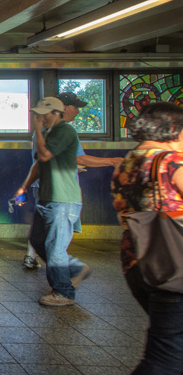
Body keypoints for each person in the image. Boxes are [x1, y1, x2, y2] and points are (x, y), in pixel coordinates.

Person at [111, 102, 183, 375]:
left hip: (137, 262)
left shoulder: (127, 162)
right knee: (165, 357)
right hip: (174, 267)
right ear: (174, 129)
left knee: (175, 347)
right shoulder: (171, 162)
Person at [20, 92, 123, 269]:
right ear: (64, 108)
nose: (78, 112)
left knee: (41, 229)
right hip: (60, 192)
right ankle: (67, 272)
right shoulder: (63, 131)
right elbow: (79, 158)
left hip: (44, 186)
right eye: (76, 107)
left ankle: (34, 258)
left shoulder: (45, 130)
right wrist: (112, 161)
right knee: (56, 234)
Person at [14, 97, 89, 306]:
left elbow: (45, 155)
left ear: (57, 113)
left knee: (55, 246)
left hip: (62, 199)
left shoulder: (65, 131)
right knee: (38, 240)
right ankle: (74, 268)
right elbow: (39, 163)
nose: (39, 118)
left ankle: (64, 292)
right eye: (37, 115)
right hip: (47, 196)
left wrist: (38, 130)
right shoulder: (47, 133)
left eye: (43, 114)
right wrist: (24, 187)